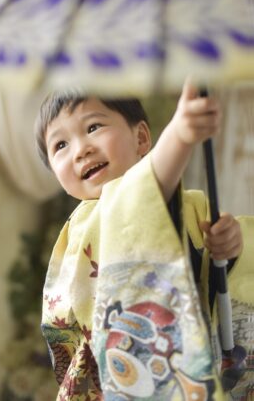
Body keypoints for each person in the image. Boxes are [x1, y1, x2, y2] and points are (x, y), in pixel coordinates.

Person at [35, 80, 243, 401]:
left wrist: (228, 249)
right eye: (60, 145)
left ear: (142, 138)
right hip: (126, 370)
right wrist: (180, 133)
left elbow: (215, 278)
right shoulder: (86, 222)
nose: (81, 150)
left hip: (205, 356)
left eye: (93, 127)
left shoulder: (194, 204)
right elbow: (136, 199)